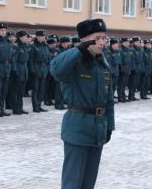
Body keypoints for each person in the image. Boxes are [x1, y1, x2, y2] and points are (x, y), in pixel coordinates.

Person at [50, 19, 115, 189]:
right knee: (73, 183)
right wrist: (78, 50)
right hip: (77, 129)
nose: (102, 42)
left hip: (98, 129)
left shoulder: (103, 64)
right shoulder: (74, 62)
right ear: (86, 39)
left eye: (104, 38)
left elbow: (109, 100)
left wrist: (109, 126)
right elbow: (56, 69)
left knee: (88, 183)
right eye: (98, 38)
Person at [0, 23, 13, 117]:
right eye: (1, 30)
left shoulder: (8, 42)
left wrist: (11, 67)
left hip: (7, 68)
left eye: (5, 30)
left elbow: (11, 56)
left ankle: (1, 108)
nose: (3, 32)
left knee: (4, 90)